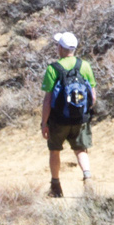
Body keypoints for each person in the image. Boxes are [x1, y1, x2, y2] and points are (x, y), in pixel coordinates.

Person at [41, 32, 95, 198]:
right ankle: (87, 178)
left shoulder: (53, 69)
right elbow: (93, 96)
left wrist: (44, 123)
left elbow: (47, 101)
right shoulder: (84, 66)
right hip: (79, 119)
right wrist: (84, 113)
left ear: (61, 48)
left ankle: (56, 187)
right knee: (80, 149)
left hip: (58, 120)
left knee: (55, 151)